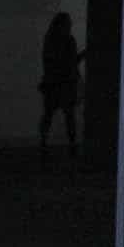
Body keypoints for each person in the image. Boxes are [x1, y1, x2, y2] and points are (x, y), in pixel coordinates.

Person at [36, 10, 83, 157]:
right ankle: (71, 144)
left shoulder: (51, 40)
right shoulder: (68, 40)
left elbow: (53, 62)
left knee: (50, 115)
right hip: (63, 84)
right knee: (67, 116)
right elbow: (71, 63)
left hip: (54, 83)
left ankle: (44, 142)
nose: (70, 26)